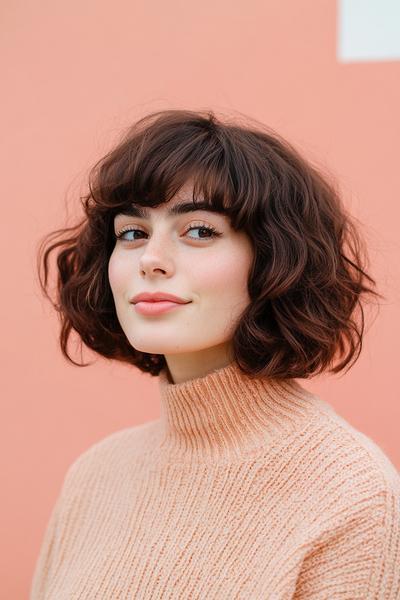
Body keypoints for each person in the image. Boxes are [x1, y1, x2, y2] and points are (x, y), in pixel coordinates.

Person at [31, 109, 400, 598]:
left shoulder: (351, 493)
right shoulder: (95, 475)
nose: (151, 260)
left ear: (274, 259)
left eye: (200, 231)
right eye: (132, 233)